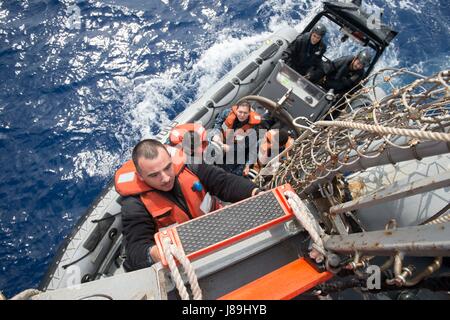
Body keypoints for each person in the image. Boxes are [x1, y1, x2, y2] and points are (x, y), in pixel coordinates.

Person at [115, 139, 260, 271]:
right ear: (140, 176)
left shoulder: (191, 167)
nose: (165, 178)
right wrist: (158, 253)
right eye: (154, 175)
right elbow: (136, 248)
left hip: (218, 229)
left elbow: (225, 183)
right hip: (183, 258)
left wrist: (255, 192)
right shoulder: (134, 204)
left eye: (167, 168)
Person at [210, 100, 263, 175]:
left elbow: (246, 146)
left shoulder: (253, 128)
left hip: (236, 147)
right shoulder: (227, 113)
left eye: (245, 113)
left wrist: (230, 148)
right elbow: (218, 122)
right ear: (236, 110)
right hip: (222, 139)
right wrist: (216, 134)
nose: (242, 115)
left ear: (249, 113)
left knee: (230, 170)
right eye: (240, 112)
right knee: (210, 137)